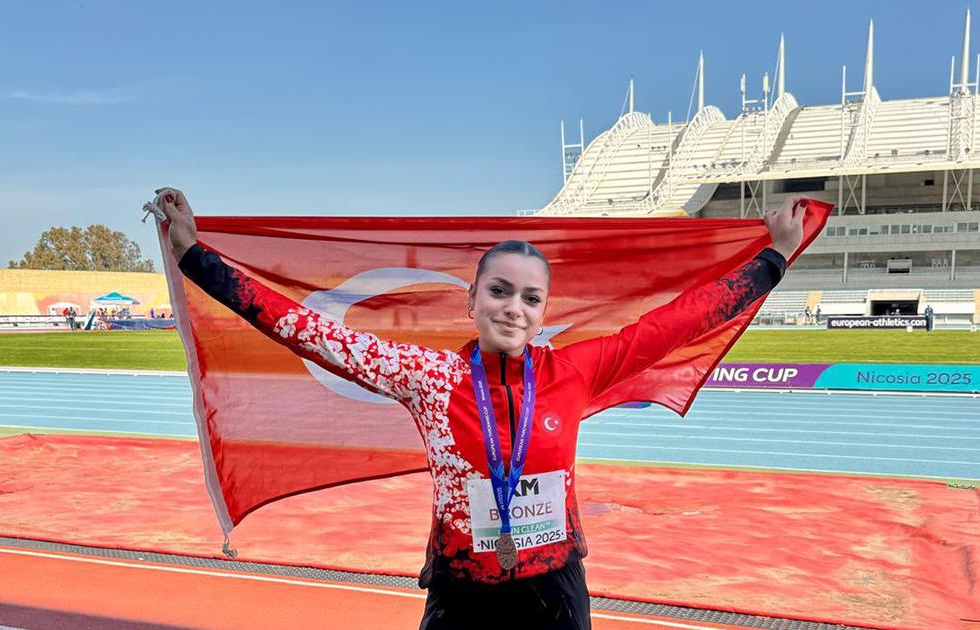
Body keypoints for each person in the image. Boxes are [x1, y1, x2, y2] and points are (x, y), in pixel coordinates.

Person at [155, 187, 806, 630]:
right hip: (462, 591)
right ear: (471, 301)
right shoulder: (427, 377)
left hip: (553, 590)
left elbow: (677, 322)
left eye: (528, 299)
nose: (512, 309)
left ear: (543, 312)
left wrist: (773, 259)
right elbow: (311, 332)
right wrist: (194, 256)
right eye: (498, 292)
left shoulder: (574, 371)